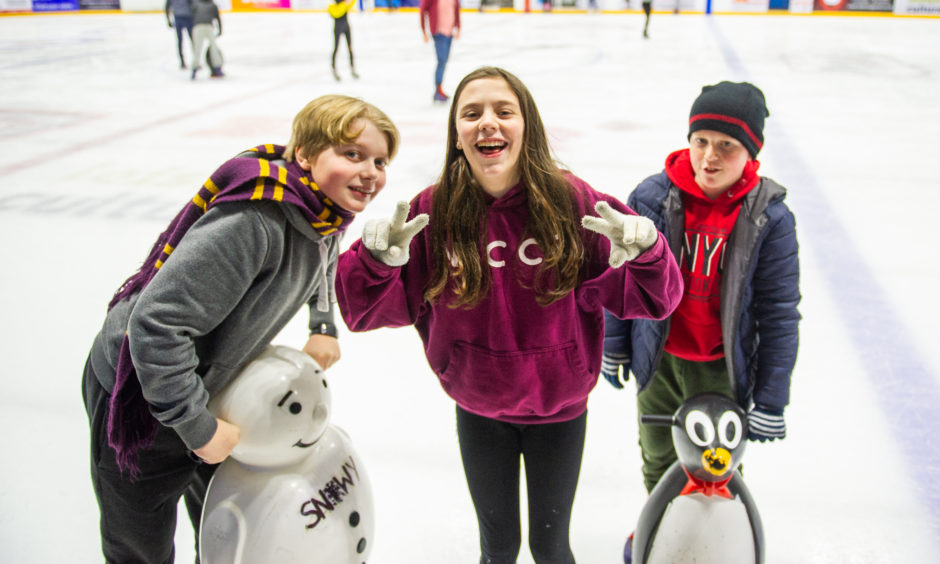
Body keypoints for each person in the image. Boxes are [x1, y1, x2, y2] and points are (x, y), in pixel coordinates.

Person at [336, 66, 683, 563]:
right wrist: (373, 263)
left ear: (527, 126)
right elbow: (361, 312)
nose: (487, 123)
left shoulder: (573, 204)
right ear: (457, 134)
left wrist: (649, 254)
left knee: (550, 547)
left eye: (504, 111)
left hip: (559, 411)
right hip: (480, 410)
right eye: (471, 113)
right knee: (497, 548)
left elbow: (656, 300)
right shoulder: (432, 212)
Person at [82, 94, 399, 563]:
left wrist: (323, 322)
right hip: (142, 393)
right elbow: (155, 325)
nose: (370, 172)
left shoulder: (322, 211)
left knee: (222, 526)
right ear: (305, 155)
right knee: (140, 543)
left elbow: (325, 253)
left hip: (213, 388)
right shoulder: (255, 221)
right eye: (353, 154)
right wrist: (196, 427)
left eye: (380, 160)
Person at [600, 81, 801, 561]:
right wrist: (614, 341)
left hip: (722, 369)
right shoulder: (652, 197)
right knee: (658, 453)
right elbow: (620, 273)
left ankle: (718, 537)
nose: (709, 156)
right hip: (659, 359)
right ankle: (661, 526)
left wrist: (771, 396)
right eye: (701, 141)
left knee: (717, 462)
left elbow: (779, 312)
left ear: (751, 153)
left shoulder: (769, 218)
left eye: (726, 146)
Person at [419, 0, 460, 103]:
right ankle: (438, 89)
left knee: (444, 61)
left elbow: (456, 11)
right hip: (438, 33)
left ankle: (439, 88)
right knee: (441, 61)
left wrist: (458, 28)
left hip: (449, 33)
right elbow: (423, 10)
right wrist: (424, 31)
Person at [190, 0, 224, 80]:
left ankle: (195, 69)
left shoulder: (197, 4)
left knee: (203, 48)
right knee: (211, 48)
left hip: (201, 26)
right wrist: (220, 29)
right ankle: (216, 68)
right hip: (203, 26)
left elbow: (191, 16)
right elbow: (217, 17)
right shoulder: (210, 4)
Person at [329, 0, 359, 81]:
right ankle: (334, 68)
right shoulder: (333, 6)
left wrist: (346, 3)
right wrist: (344, 4)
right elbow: (336, 13)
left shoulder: (343, 4)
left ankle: (352, 68)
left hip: (345, 27)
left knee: (350, 48)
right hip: (338, 28)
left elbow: (351, 3)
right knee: (336, 48)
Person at [166, 0, 194, 69]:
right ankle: (193, 61)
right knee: (191, 40)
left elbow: (167, 7)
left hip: (180, 18)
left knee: (181, 41)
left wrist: (168, 20)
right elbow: (193, 5)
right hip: (186, 17)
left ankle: (183, 62)